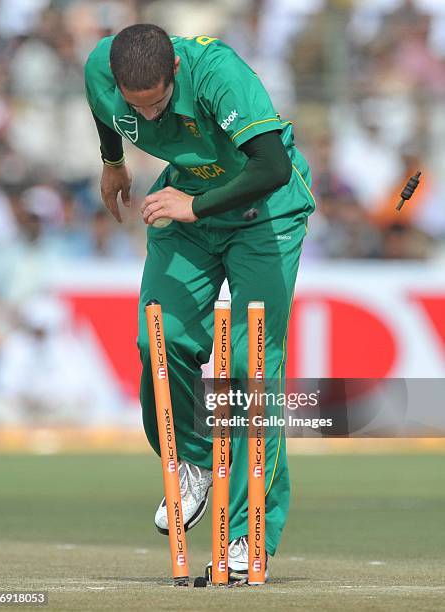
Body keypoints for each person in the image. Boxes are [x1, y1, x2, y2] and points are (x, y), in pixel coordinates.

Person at [84, 23, 315, 583]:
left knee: (248, 368)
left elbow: (272, 166)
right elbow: (104, 114)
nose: (154, 117)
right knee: (157, 339)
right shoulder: (101, 69)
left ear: (177, 74)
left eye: (160, 102)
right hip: (188, 200)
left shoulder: (219, 76)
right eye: (139, 107)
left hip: (264, 211)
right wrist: (112, 160)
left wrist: (196, 206)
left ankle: (246, 534)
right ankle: (195, 459)